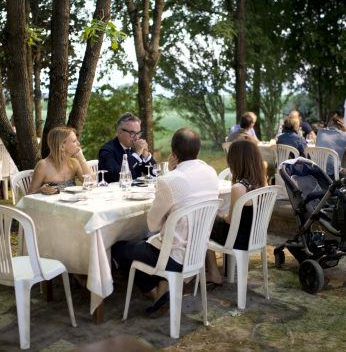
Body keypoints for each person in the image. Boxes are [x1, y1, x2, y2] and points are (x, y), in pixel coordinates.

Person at [111, 127, 219, 316]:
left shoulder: (170, 179)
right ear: (198, 150)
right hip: (197, 250)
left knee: (117, 247)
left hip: (173, 256)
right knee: (146, 245)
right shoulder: (210, 171)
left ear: (174, 153)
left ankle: (156, 294)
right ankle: (162, 290)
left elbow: (152, 226)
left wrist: (170, 173)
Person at [206, 139, 267, 285]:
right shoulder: (263, 182)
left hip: (238, 239)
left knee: (204, 225)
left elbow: (230, 221)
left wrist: (220, 216)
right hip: (255, 236)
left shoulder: (239, 188)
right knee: (212, 221)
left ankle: (214, 273)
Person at [28, 126, 91, 194]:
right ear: (62, 146)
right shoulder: (43, 166)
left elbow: (92, 183)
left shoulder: (74, 163)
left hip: (72, 203)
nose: (78, 143)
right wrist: (41, 190)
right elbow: (29, 195)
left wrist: (81, 158)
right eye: (74, 141)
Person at [98, 113, 156, 183]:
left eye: (138, 133)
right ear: (119, 132)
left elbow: (154, 174)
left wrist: (146, 155)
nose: (136, 138)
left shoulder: (135, 147)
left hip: (136, 190)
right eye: (132, 133)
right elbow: (118, 176)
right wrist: (136, 155)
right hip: (114, 192)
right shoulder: (107, 151)